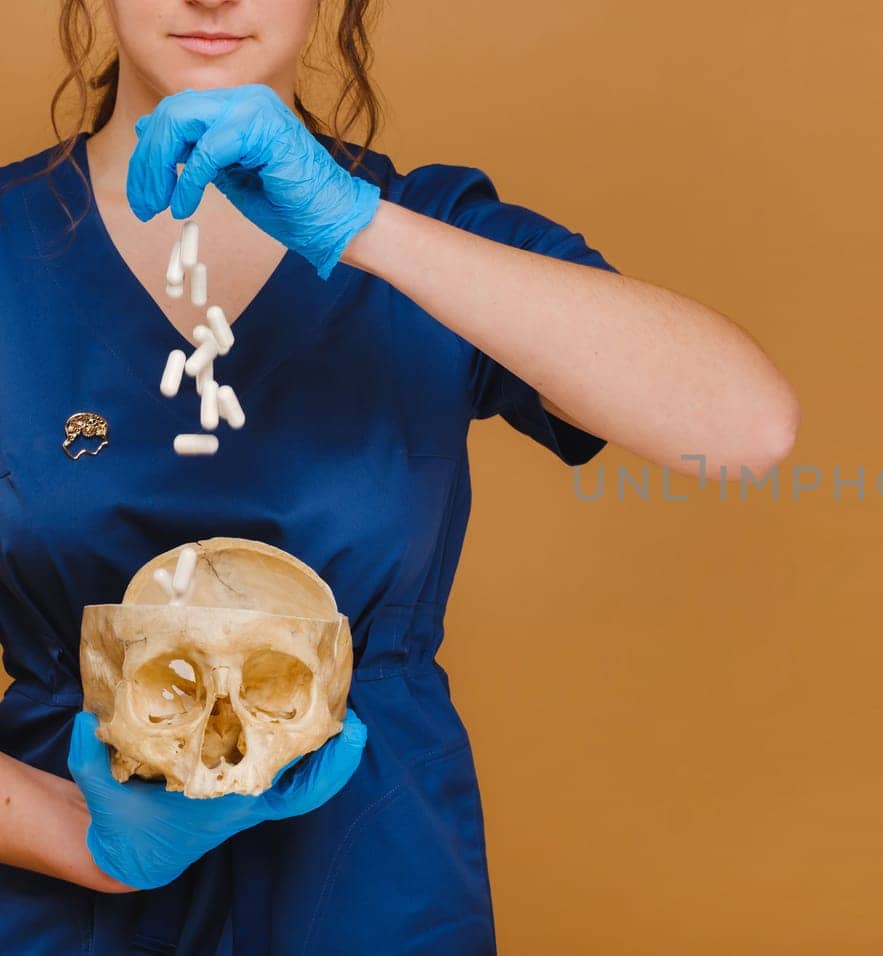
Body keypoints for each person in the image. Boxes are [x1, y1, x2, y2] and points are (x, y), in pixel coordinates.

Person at [0, 0, 800, 952]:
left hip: (376, 887)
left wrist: (363, 227)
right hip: (62, 908)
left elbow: (747, 427)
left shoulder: (434, 234)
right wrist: (80, 841)